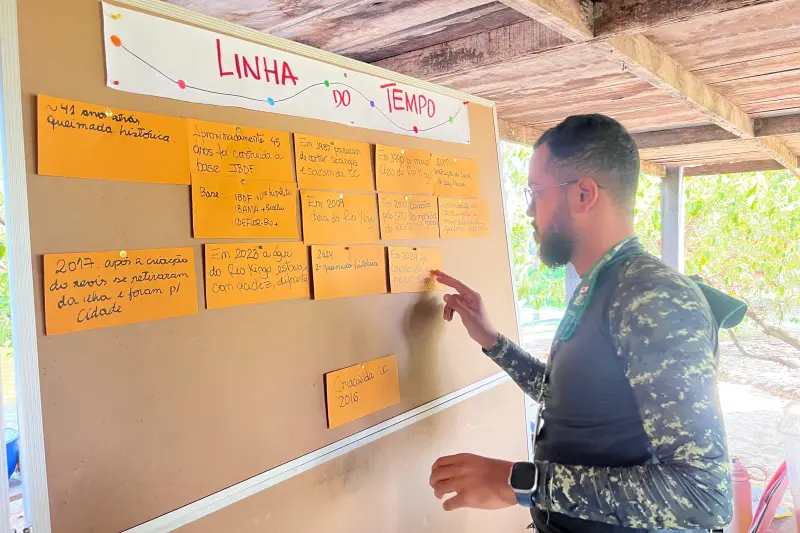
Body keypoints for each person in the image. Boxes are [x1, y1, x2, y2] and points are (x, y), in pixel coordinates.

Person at [428, 114, 733, 533]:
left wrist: (520, 483)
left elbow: (703, 495)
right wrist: (492, 340)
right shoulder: (602, 285)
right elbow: (570, 399)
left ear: (584, 194)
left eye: (536, 193)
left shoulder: (652, 299)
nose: (530, 211)